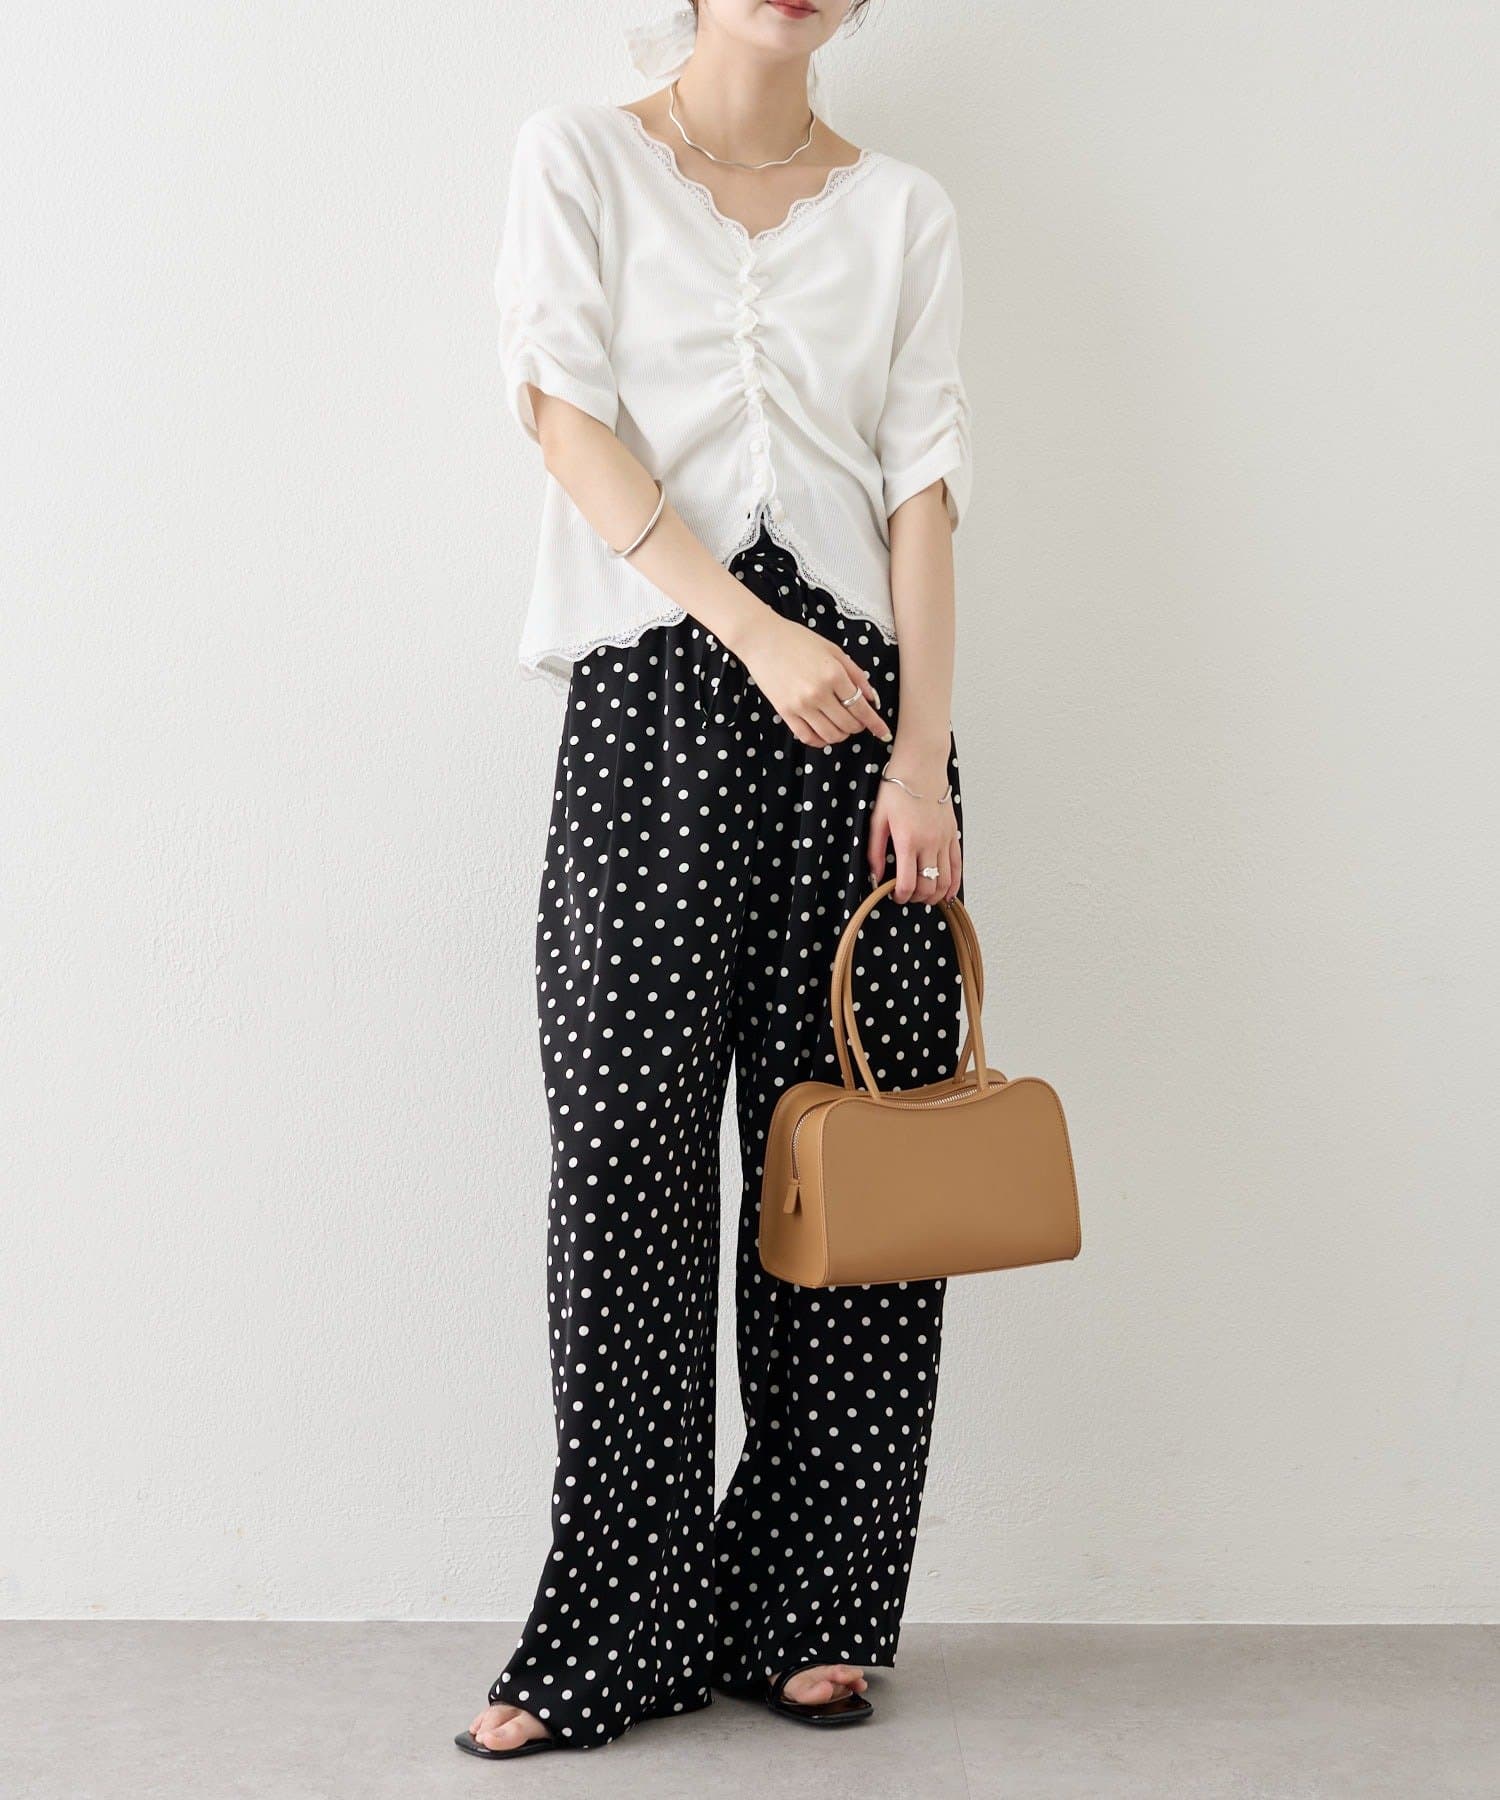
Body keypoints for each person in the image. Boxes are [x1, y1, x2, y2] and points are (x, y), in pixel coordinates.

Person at [458, 0, 972, 1760]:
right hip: (663, 691)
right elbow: (563, 416)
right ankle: (612, 1630)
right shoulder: (577, 159)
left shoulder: (902, 209)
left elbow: (923, 487)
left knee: (856, 1166)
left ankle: (812, 1609)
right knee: (628, 1168)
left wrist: (923, 752)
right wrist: (754, 634)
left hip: (864, 730)